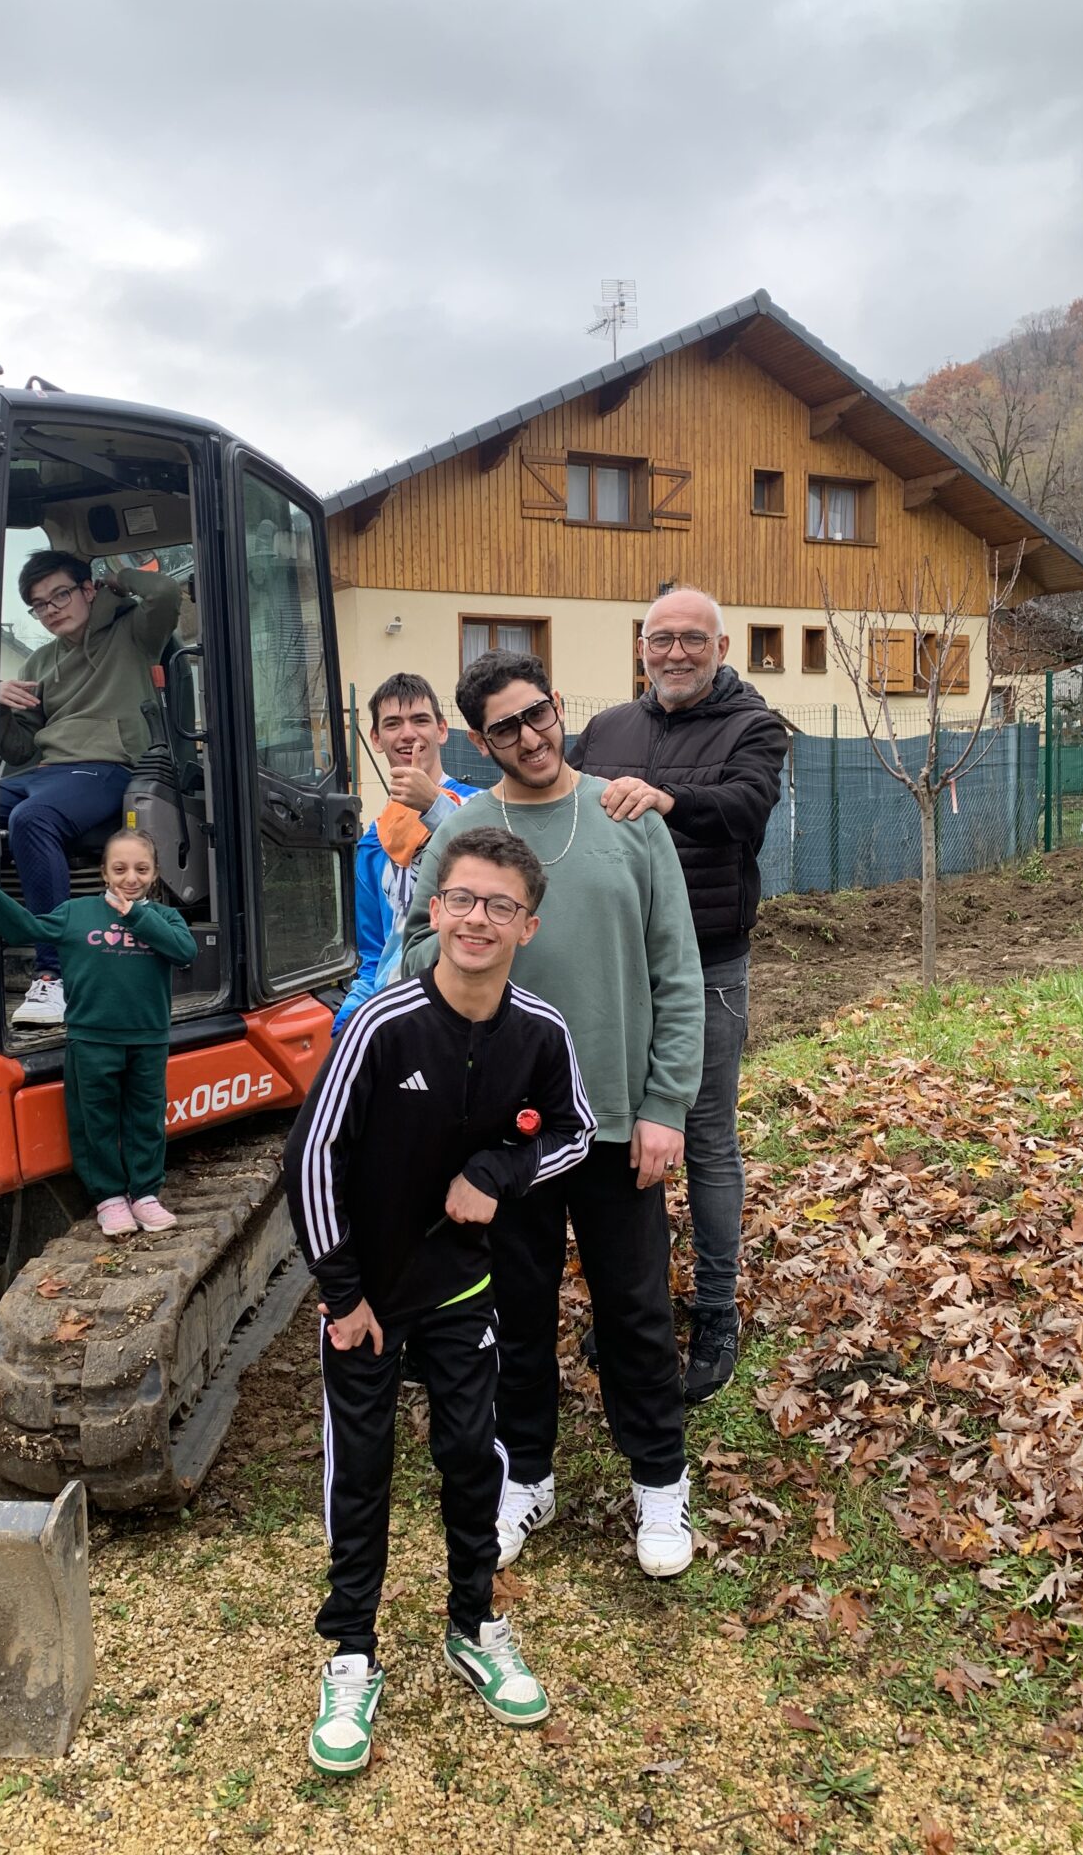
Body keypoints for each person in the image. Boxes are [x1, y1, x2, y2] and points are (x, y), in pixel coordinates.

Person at [286, 828, 596, 1775]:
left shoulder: (541, 1032)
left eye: (501, 906)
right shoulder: (383, 1024)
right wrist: (343, 1296)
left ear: (527, 926)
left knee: (470, 1454)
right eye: (463, 899)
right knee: (362, 1470)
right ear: (433, 910)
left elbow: (577, 1136)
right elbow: (310, 1158)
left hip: (462, 1285)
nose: (478, 918)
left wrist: (498, 1170)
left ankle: (475, 1624)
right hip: (366, 1298)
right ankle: (350, 1653)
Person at [402, 651, 704, 1580]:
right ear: (476, 739)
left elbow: (678, 973)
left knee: (636, 1312)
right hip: (505, 1129)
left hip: (617, 1120)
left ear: (558, 706)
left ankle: (660, 1482)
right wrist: (464, 954)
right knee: (516, 1315)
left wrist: (665, 1106)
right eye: (504, 728)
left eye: (538, 715)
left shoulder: (626, 814)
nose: (530, 738)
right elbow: (419, 947)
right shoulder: (468, 830)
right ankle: (526, 1474)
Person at [568, 588, 786, 1404]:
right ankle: (640, 1298)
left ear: (722, 646)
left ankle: (719, 1308)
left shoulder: (755, 727)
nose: (676, 653)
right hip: (616, 968)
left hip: (709, 965)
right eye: (662, 638)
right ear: (641, 646)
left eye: (694, 639)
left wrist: (667, 801)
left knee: (704, 1140)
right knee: (624, 1134)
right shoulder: (608, 731)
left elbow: (745, 809)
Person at [0, 828, 197, 1237]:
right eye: (119, 868)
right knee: (94, 1120)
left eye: (141, 869)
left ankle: (145, 1194)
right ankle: (109, 1198)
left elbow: (184, 952)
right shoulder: (75, 913)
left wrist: (135, 915)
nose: (130, 878)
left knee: (146, 1119)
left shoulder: (165, 917)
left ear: (154, 875)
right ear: (104, 872)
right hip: (92, 1038)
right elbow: (20, 928)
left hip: (148, 1038)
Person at [0, 550, 183, 1026]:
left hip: (108, 766)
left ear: (87, 590)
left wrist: (117, 580)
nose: (51, 609)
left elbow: (164, 592)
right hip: (46, 772)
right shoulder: (40, 661)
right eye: (39, 605)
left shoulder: (134, 632)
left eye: (60, 594)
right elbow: (20, 750)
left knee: (32, 818)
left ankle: (55, 975)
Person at [331, 673, 480, 1035]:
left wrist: (432, 804)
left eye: (420, 720)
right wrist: (349, 1017)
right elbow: (375, 952)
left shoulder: (479, 806)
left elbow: (493, 861)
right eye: (393, 724)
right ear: (377, 739)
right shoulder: (372, 842)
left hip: (464, 1013)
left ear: (442, 731)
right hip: (396, 1017)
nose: (408, 733)